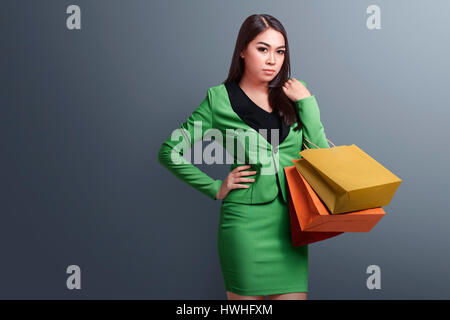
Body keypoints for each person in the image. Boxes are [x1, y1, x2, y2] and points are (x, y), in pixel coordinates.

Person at [157, 14, 329, 300]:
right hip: (244, 228)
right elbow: (169, 151)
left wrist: (308, 103)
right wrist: (215, 187)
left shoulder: (294, 96)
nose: (272, 60)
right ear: (242, 50)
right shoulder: (218, 100)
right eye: (263, 49)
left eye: (280, 51)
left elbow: (322, 157)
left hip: (290, 227)